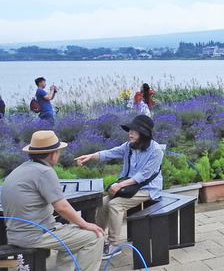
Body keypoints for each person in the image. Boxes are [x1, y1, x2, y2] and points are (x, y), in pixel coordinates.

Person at [1, 130, 105, 271]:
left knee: (73, 239)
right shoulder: (44, 172)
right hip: (35, 234)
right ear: (52, 155)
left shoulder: (20, 169)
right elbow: (62, 207)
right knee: (94, 236)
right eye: (58, 151)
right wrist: (86, 224)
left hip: (16, 233)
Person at [74, 115, 163, 260]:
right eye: (130, 130)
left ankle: (114, 244)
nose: (130, 133)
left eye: (134, 131)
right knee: (102, 203)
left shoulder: (156, 151)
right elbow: (110, 153)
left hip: (148, 188)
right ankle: (97, 239)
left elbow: (144, 176)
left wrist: (119, 185)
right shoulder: (129, 147)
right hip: (128, 187)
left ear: (143, 134)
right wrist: (90, 156)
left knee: (115, 205)